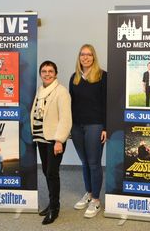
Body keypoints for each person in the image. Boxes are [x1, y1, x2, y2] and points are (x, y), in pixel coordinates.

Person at [30, 60, 72, 225]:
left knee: (52, 173)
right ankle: (51, 203)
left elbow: (66, 119)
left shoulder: (61, 92)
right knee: (47, 173)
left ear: (56, 74)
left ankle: (55, 208)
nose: (47, 74)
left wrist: (59, 141)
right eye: (44, 71)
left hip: (54, 139)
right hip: (41, 137)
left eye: (50, 71)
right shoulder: (41, 90)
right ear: (41, 74)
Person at [69, 44, 107, 218]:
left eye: (89, 54)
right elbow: (71, 104)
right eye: (82, 54)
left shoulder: (102, 76)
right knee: (84, 163)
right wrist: (69, 127)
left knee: (94, 163)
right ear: (79, 57)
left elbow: (107, 103)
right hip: (77, 126)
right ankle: (89, 193)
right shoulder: (74, 78)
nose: (85, 57)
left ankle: (96, 200)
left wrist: (106, 127)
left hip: (95, 125)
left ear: (94, 57)